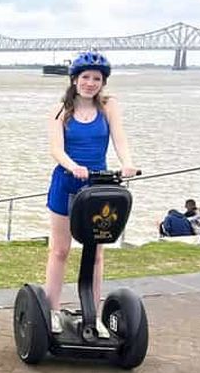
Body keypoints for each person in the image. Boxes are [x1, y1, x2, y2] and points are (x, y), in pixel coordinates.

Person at [45, 51, 138, 337]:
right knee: (60, 250)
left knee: (96, 253)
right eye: (85, 77)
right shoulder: (60, 110)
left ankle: (92, 314)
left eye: (96, 78)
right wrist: (74, 166)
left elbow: (119, 137)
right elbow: (56, 149)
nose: (90, 83)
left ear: (103, 82)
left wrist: (127, 163)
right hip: (67, 182)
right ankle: (52, 311)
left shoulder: (109, 106)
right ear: (74, 79)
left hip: (99, 186)